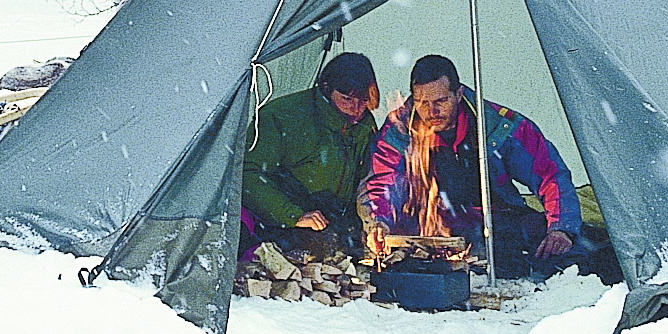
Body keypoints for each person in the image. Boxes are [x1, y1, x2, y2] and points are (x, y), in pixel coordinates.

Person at [359, 54, 597, 280]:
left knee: (575, 251)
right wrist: (379, 221)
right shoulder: (398, 132)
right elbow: (380, 182)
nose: (432, 112)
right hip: (429, 227)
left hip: (495, 219)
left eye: (441, 101)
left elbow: (549, 173)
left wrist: (560, 228)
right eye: (423, 103)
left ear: (459, 94)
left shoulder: (497, 125)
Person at [241, 52, 381, 256]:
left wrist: (371, 223)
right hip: (278, 226)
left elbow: (367, 180)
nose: (356, 109)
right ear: (326, 88)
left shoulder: (364, 126)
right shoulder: (283, 117)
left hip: (333, 223)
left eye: (364, 100)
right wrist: (293, 215)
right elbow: (247, 174)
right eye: (347, 99)